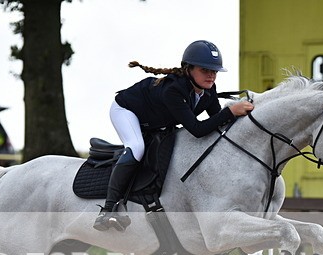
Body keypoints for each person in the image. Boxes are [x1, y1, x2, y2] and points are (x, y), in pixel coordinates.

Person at [93, 40, 255, 231]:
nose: (211, 75)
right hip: (126, 111)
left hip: (154, 119)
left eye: (214, 71)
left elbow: (217, 121)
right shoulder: (173, 90)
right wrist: (231, 111)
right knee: (137, 148)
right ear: (188, 69)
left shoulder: (209, 90)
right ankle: (107, 210)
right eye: (205, 70)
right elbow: (197, 129)